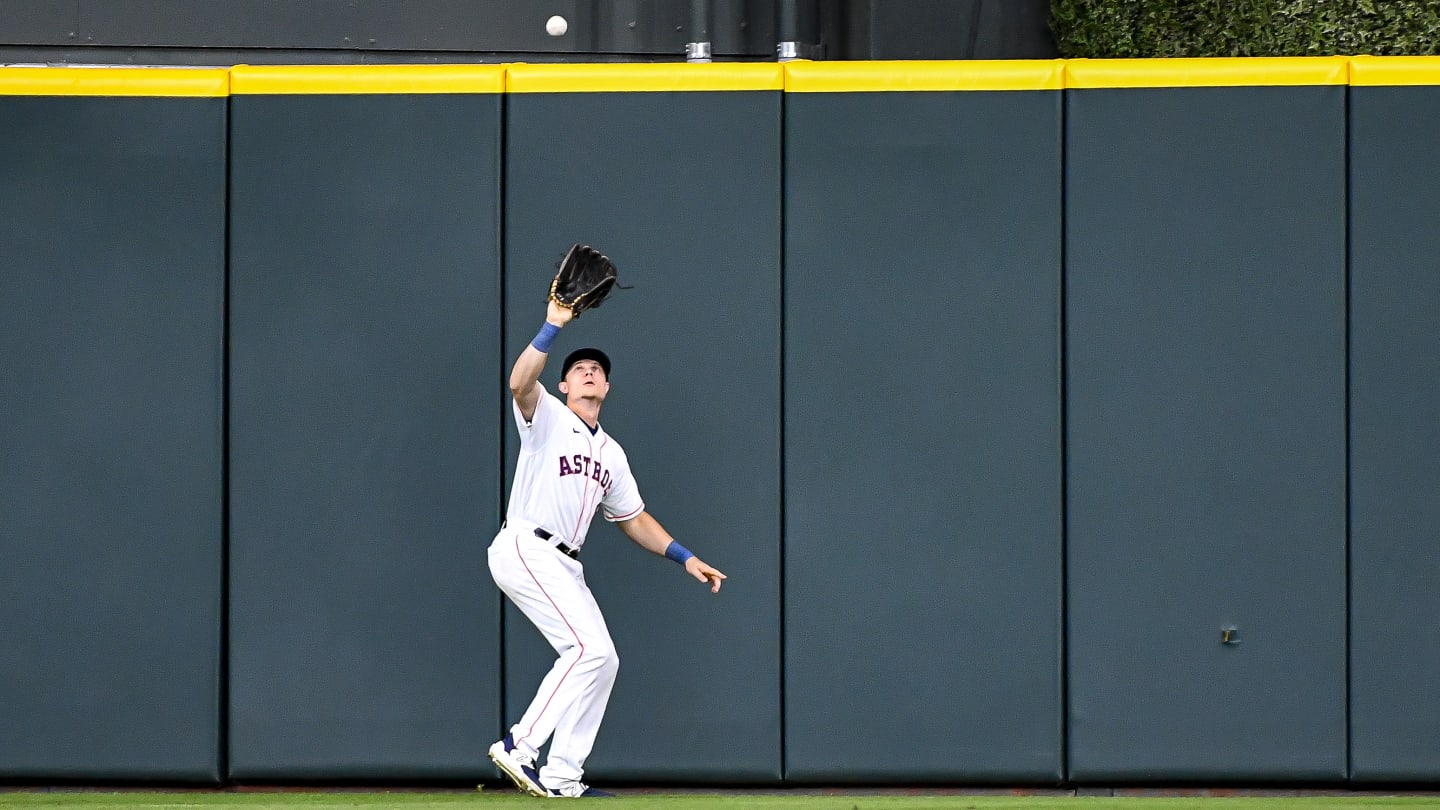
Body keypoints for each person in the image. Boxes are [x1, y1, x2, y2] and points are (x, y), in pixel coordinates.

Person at [486, 298, 727, 799]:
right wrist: (553, 326)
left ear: (608, 387)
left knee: (604, 659)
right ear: (564, 385)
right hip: (526, 545)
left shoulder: (611, 453)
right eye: (580, 369)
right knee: (587, 650)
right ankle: (520, 746)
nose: (590, 372)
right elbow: (517, 383)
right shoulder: (545, 415)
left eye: (597, 370)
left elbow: (632, 517)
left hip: (564, 562)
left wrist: (685, 556)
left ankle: (561, 776)